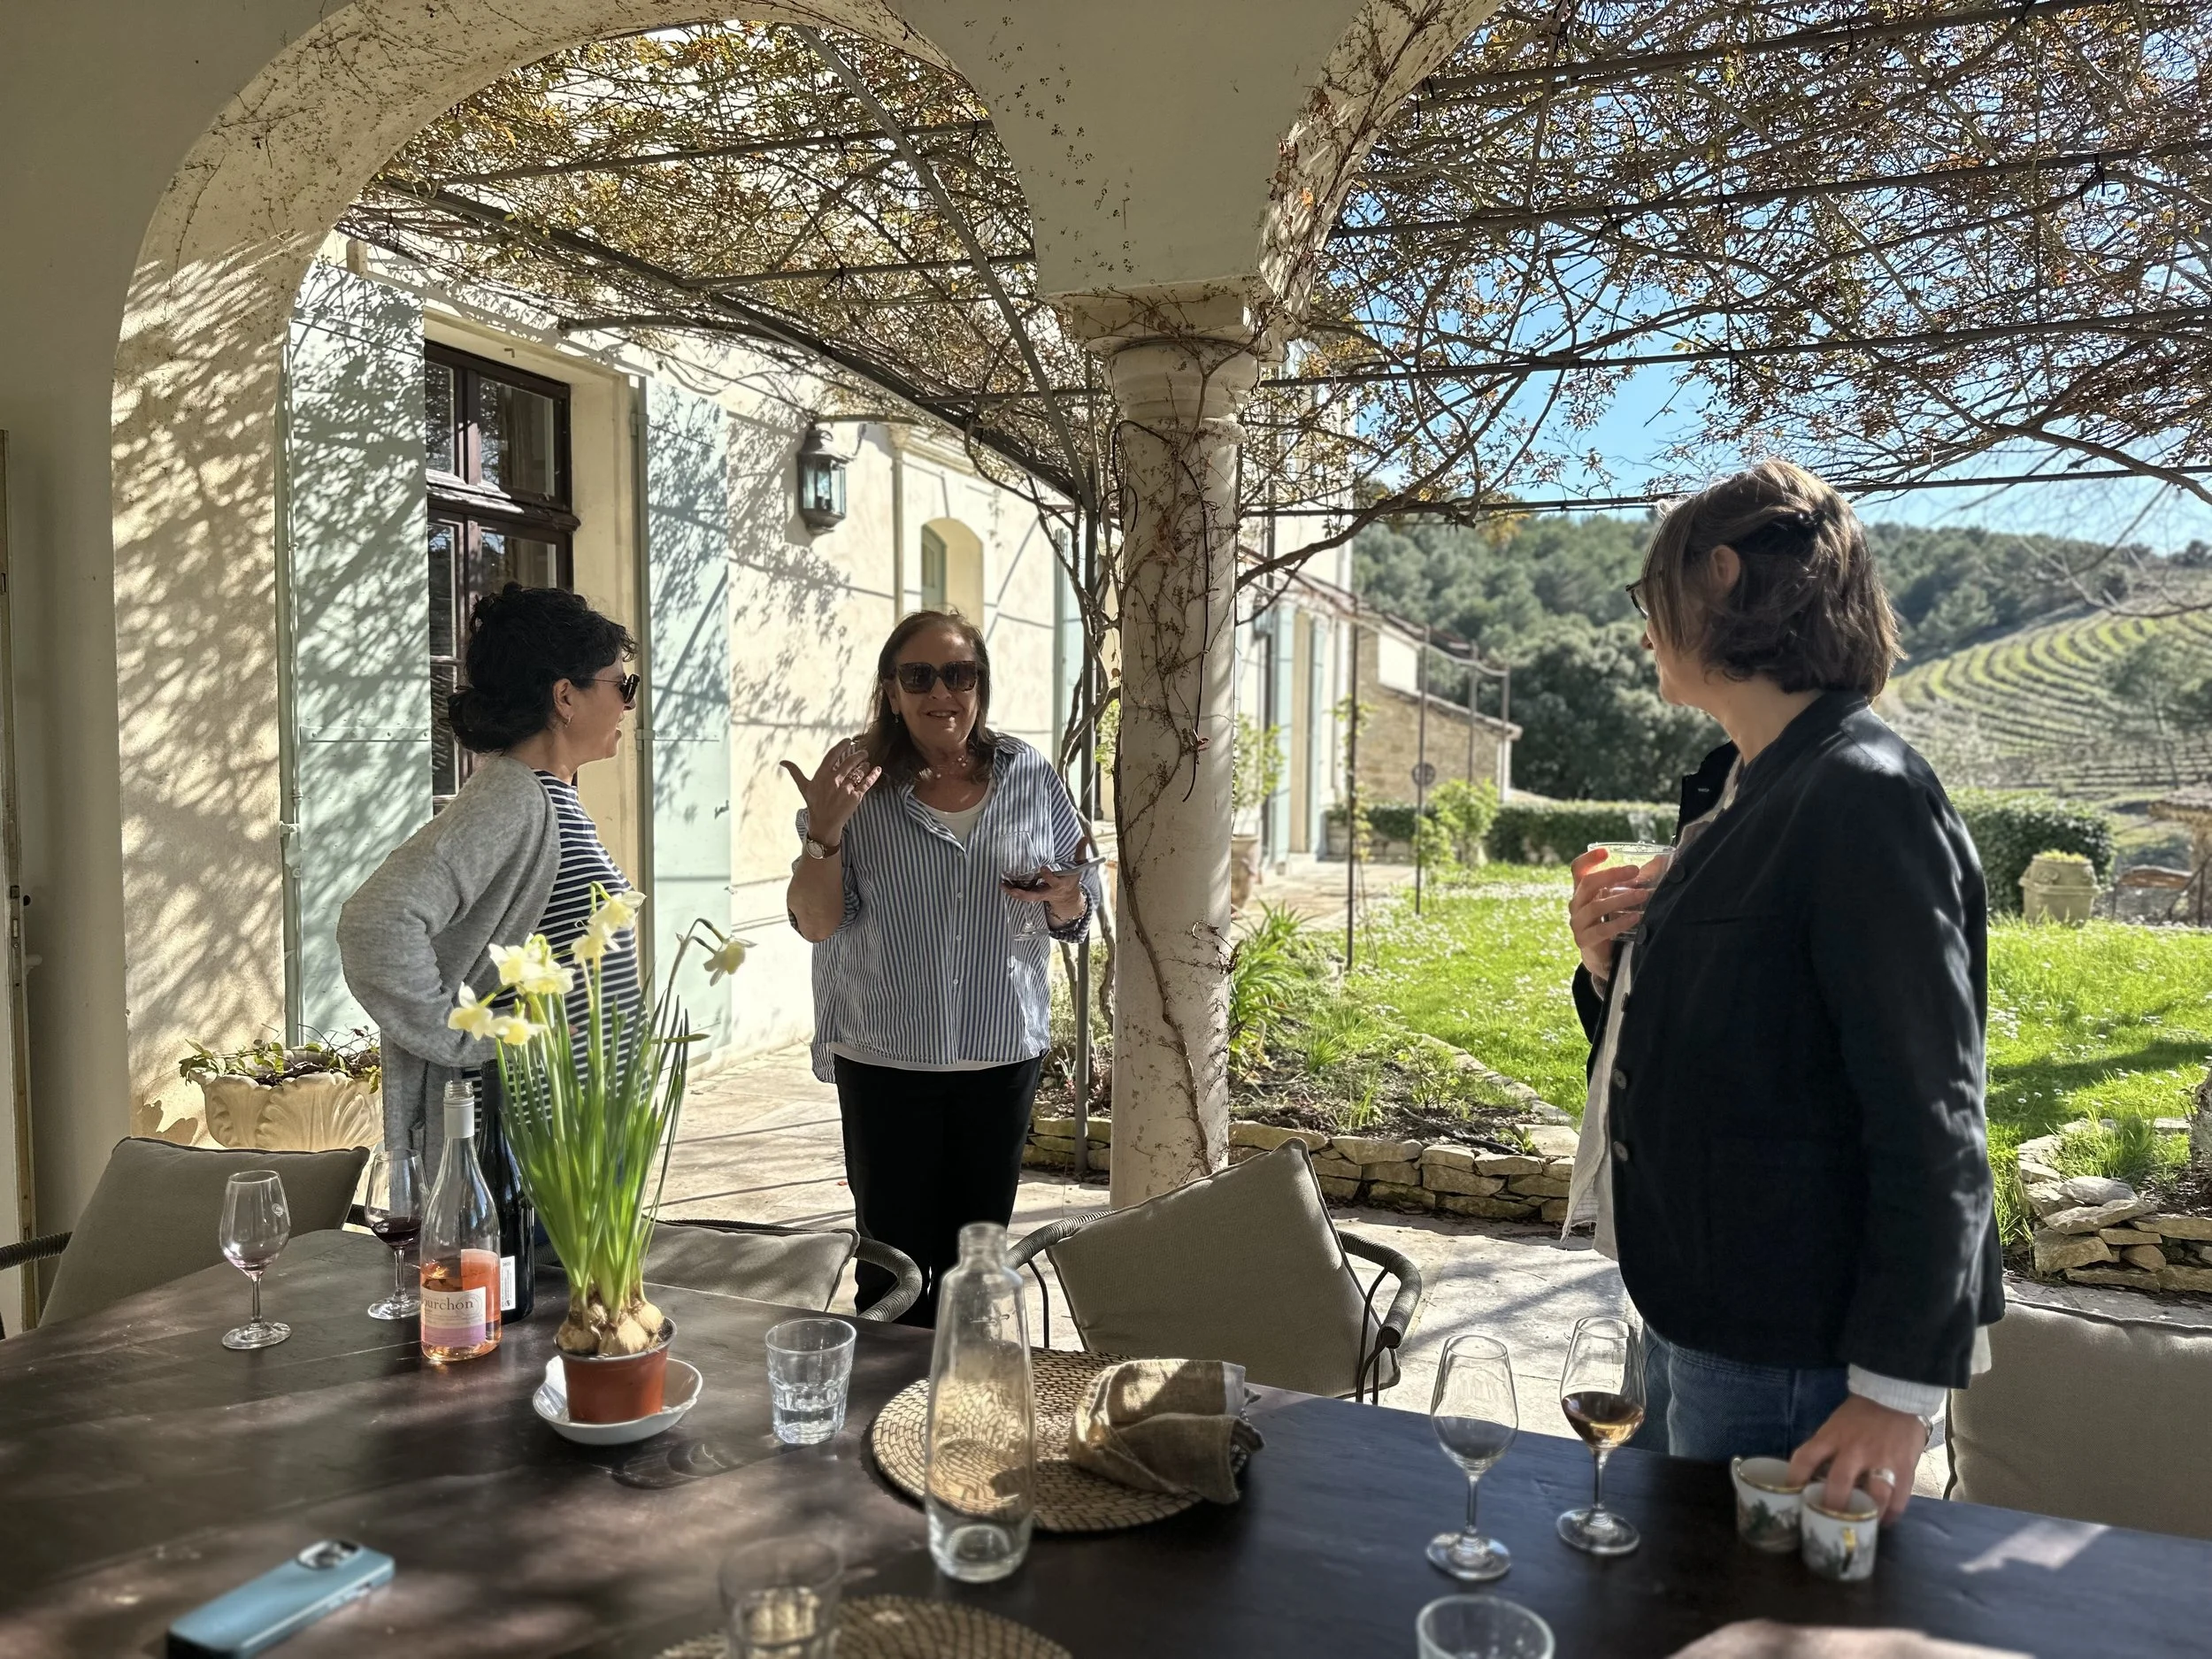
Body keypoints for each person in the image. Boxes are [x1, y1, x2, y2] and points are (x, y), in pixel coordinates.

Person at [1560, 459, 2001, 1523]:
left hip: (1791, 1349)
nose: (1642, 630)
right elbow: (1754, 1033)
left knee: (1744, 1621)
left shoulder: (1861, 795)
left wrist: (1895, 1391)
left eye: (1646, 600)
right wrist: (1608, 966)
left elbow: (1931, 1102)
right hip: (1697, 1311)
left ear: (1719, 577)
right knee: (1674, 1593)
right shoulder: (1744, 786)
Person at [783, 610, 1100, 1325]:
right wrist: (825, 835)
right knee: (892, 1276)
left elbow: (1079, 909)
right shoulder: (852, 776)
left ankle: (958, 1418)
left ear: (979, 686)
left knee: (976, 1270)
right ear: (891, 689)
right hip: (887, 1059)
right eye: (918, 675)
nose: (941, 693)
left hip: (999, 1056)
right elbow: (818, 922)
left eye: (959, 674)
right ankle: (882, 1420)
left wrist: (1066, 891)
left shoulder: (1029, 773)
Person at [340, 585, 644, 1163]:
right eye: (621, 684)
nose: (629, 704)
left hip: (570, 1147)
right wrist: (470, 1038)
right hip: (519, 1153)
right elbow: (374, 921)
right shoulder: (513, 796)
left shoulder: (547, 798)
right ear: (566, 697)